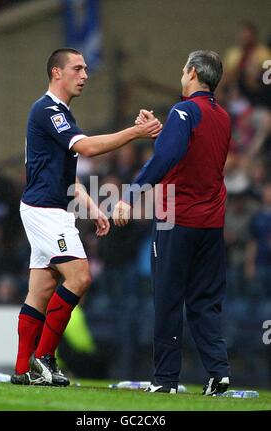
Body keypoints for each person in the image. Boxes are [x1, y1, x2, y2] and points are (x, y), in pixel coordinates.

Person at [11, 47, 162, 386]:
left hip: (51, 209)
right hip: (45, 211)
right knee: (80, 277)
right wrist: (134, 133)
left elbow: (66, 175)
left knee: (41, 288)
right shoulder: (49, 110)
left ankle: (22, 369)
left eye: (85, 69)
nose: (85, 75)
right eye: (77, 68)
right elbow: (89, 148)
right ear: (56, 73)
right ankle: (45, 358)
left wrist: (92, 208)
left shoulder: (60, 114)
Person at [113, 50, 231, 395]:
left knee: (167, 298)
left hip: (175, 219)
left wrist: (129, 195)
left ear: (193, 72)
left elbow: (166, 157)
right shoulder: (222, 116)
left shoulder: (184, 110)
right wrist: (164, 133)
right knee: (205, 299)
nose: (182, 74)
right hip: (211, 223)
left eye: (183, 69)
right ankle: (218, 373)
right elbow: (194, 153)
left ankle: (165, 380)